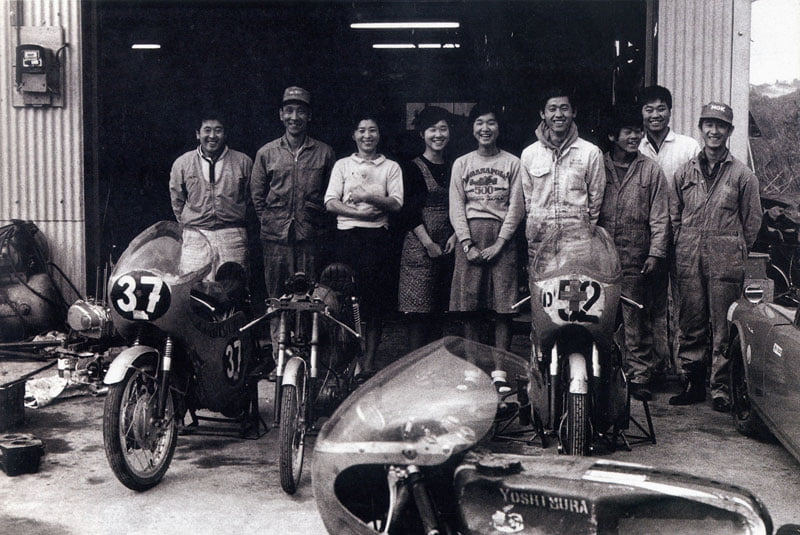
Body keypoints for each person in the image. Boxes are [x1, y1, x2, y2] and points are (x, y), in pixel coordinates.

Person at [669, 102, 762, 410]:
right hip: (689, 257)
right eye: (709, 124)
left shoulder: (743, 176)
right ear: (701, 128)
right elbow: (674, 215)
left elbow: (752, 221)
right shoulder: (685, 172)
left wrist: (733, 247)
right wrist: (683, 243)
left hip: (726, 262)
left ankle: (720, 389)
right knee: (691, 322)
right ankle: (693, 383)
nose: (714, 131)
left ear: (729, 131)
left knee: (723, 326)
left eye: (720, 125)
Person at [250, 86, 335, 367]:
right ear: (281, 114)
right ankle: (280, 357)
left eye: (300, 111)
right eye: (289, 111)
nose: (294, 117)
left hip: (310, 236)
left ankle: (307, 359)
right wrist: (270, 221)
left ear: (309, 116)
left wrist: (316, 222)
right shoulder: (266, 153)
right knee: (277, 298)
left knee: (309, 297)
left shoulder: (324, 153)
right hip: (275, 238)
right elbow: (257, 196)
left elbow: (332, 193)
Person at [449, 103, 524, 393]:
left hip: (502, 237)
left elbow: (516, 207)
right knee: (469, 307)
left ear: (499, 128)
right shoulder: (462, 163)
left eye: (491, 122)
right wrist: (466, 242)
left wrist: (500, 243)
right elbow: (456, 205)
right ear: (472, 128)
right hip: (470, 234)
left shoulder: (513, 163)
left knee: (503, 308)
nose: (485, 129)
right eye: (479, 123)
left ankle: (499, 371)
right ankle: (472, 371)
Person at [597, 106, 669, 402]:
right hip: (599, 255)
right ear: (612, 136)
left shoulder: (651, 170)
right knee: (598, 314)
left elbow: (660, 216)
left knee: (635, 318)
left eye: (638, 131)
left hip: (636, 257)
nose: (635, 136)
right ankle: (600, 371)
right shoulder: (596, 166)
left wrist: (655, 253)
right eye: (628, 131)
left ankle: (639, 376)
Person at [324, 114, 403, 377]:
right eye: (361, 130)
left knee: (374, 303)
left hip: (377, 239)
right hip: (347, 238)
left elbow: (396, 203)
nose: (367, 136)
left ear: (379, 135)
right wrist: (358, 213)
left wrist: (368, 197)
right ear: (354, 135)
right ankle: (348, 360)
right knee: (345, 302)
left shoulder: (390, 167)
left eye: (372, 130)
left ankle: (368, 362)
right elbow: (331, 202)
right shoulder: (343, 165)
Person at [637, 85, 701, 380]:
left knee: (683, 303)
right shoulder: (634, 146)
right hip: (645, 238)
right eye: (649, 109)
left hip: (681, 235)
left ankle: (684, 370)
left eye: (661, 108)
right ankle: (654, 367)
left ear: (670, 111)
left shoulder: (688, 147)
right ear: (641, 113)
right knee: (648, 304)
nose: (655, 115)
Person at [397, 106, 457, 351]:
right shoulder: (412, 168)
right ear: (422, 133)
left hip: (450, 243)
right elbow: (408, 212)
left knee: (441, 312)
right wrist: (428, 243)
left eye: (443, 129)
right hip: (419, 246)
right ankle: (415, 367)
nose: (438, 134)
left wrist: (456, 236)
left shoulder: (455, 166)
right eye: (432, 129)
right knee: (417, 312)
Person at [520, 87, 605, 259]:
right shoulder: (529, 154)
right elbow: (528, 201)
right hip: (540, 243)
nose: (558, 114)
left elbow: (596, 199)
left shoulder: (590, 152)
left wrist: (585, 231)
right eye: (552, 109)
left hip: (578, 244)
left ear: (574, 112)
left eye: (564, 108)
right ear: (542, 114)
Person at [169, 112, 253, 277]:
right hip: (195, 237)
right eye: (207, 130)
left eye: (218, 130)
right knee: (194, 286)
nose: (212, 136)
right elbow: (177, 200)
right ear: (198, 134)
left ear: (225, 134)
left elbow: (251, 199)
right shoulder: (182, 163)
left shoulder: (243, 162)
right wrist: (191, 224)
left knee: (233, 286)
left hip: (232, 236)